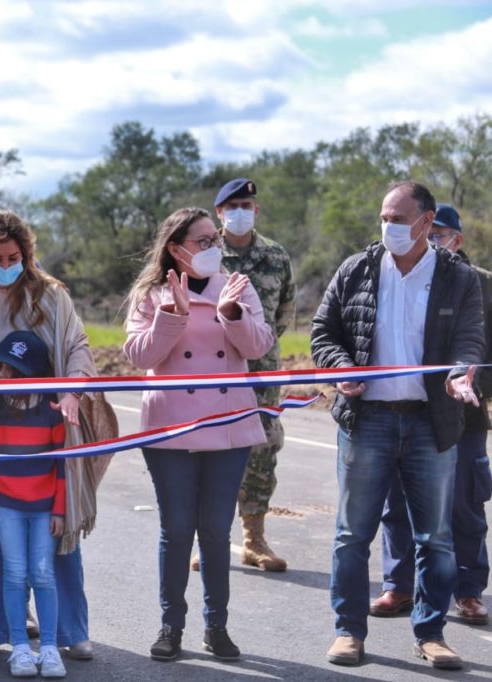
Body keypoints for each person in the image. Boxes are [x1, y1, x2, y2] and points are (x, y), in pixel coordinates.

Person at [311, 181, 484, 670]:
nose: (388, 226)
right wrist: (341, 366)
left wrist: (458, 374)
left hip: (432, 424)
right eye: (384, 217)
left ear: (427, 223)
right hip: (368, 422)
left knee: (436, 538)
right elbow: (324, 333)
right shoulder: (357, 268)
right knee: (352, 534)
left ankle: (430, 634)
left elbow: (469, 340)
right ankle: (348, 631)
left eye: (398, 218)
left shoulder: (457, 277)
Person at [0, 210, 116, 663]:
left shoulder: (51, 296)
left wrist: (72, 392)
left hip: (49, 424)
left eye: (14, 256)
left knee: (60, 529)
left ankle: (70, 631)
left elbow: (76, 348)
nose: (6, 264)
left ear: (26, 255)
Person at [123, 206, 274, 663]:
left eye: (215, 240)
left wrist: (231, 313)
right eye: (203, 241)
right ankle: (172, 626)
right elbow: (138, 354)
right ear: (176, 248)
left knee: (214, 529)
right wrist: (171, 314)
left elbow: (259, 345)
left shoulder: (237, 286)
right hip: (171, 427)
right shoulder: (151, 293)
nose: (214, 248)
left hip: (228, 427)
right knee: (177, 529)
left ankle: (217, 625)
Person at [370, 203, 492, 626]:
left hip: (465, 417)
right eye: (428, 232)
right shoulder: (400, 276)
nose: (431, 241)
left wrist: (469, 386)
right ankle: (398, 586)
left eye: (439, 235)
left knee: (464, 506)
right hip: (411, 415)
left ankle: (469, 591)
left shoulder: (481, 285)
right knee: (399, 505)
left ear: (457, 240)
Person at [0, 330, 69, 678]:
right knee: (14, 574)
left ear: (32, 375)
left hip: (45, 509)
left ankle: (49, 648)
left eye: (12, 371)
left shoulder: (51, 412)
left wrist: (59, 509)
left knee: (43, 574)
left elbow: (62, 465)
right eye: (0, 369)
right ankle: (20, 649)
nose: (2, 376)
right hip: (6, 507)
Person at [213, 178, 296, 572]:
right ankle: (210, 537)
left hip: (262, 373)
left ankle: (254, 539)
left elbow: (285, 312)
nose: (240, 212)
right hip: (214, 369)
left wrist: (256, 344)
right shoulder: (205, 252)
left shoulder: (276, 256)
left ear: (257, 210)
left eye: (246, 204)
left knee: (262, 449)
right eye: (232, 206)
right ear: (219, 213)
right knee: (212, 448)